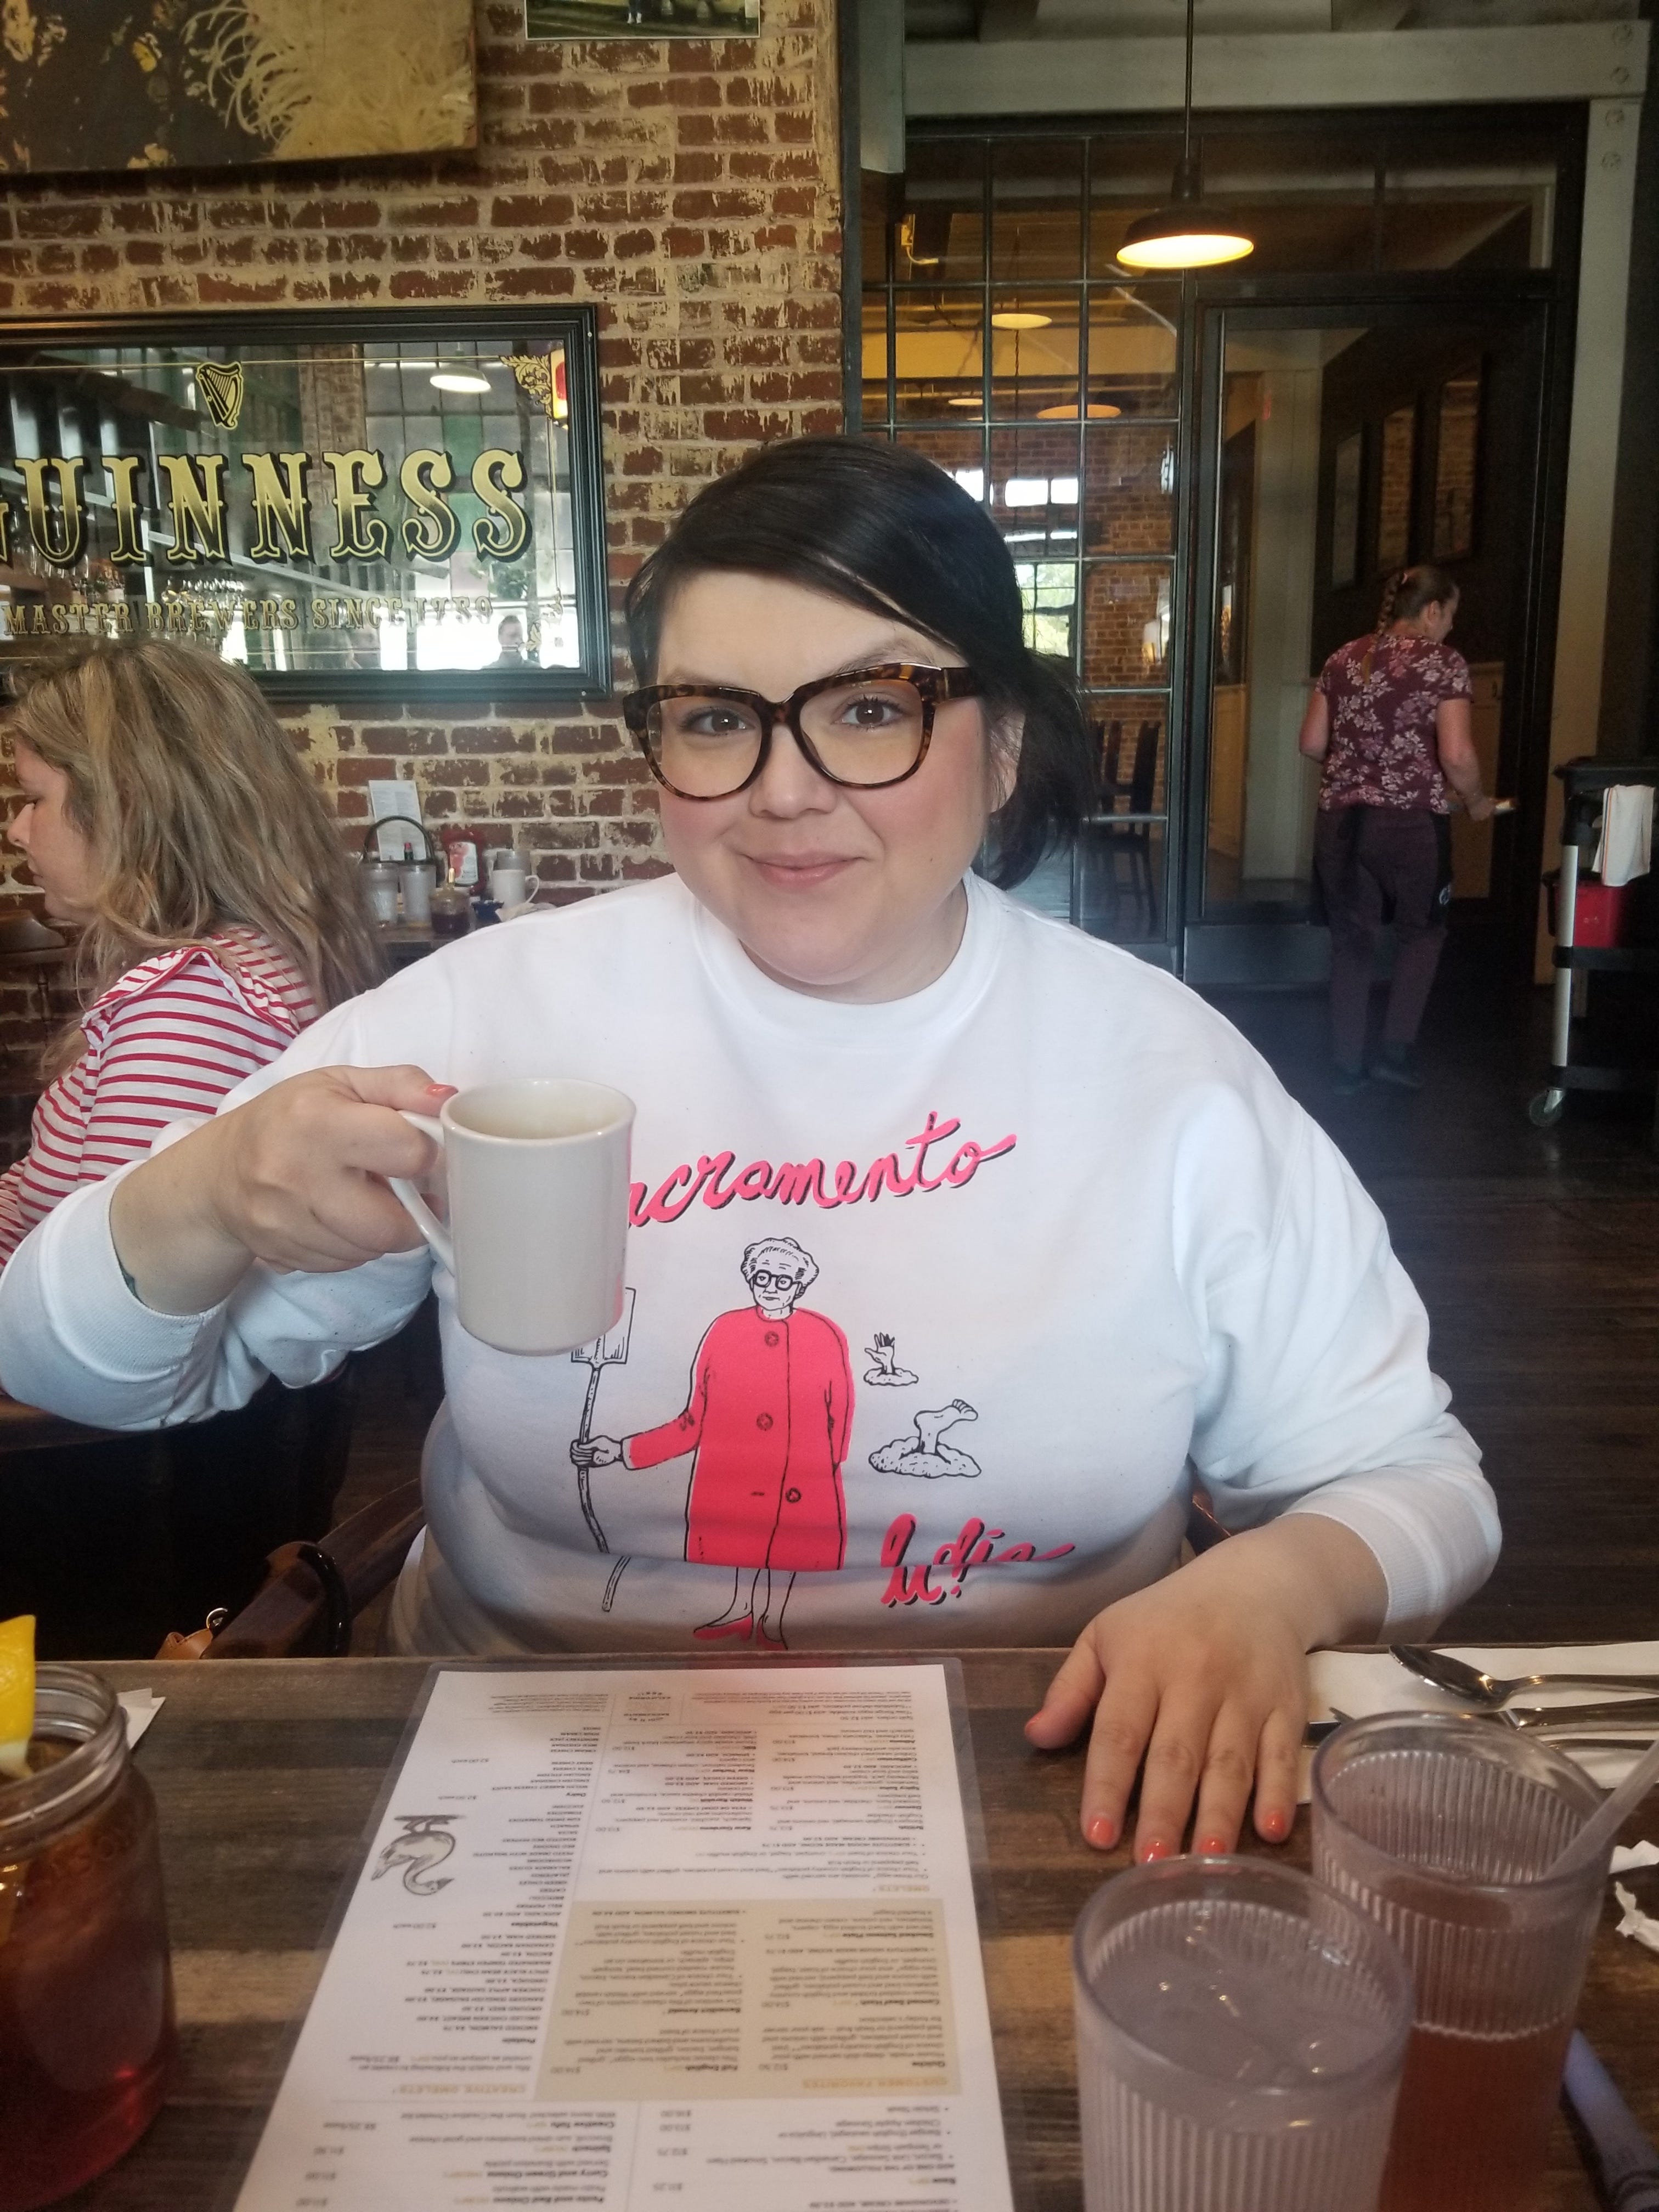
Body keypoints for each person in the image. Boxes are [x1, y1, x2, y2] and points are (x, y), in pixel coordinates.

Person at [0, 441, 1499, 1866]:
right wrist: (203, 1196)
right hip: (522, 1766)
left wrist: (1271, 1583)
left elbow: (1413, 1478)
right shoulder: (489, 1015)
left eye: (872, 707)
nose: (783, 789)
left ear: (1003, 746)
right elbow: (68, 1370)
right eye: (717, 719)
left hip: (1043, 1776)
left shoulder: (1165, 1072)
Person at [0, 638, 382, 1265]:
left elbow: (115, 1286)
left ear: (127, 807)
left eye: (36, 798)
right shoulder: (249, 960)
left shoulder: (188, 1008)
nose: (17, 830)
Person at [1299, 566, 1496, 1094]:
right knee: (1422, 932)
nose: (1451, 627)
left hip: (1342, 823)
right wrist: (1477, 801)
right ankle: (1395, 1054)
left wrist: (1357, 770)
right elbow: (1457, 755)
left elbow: (1312, 743)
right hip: (1410, 824)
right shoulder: (1443, 663)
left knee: (1352, 940)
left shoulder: (1342, 658)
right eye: (1450, 615)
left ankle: (1345, 1067)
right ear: (1432, 611)